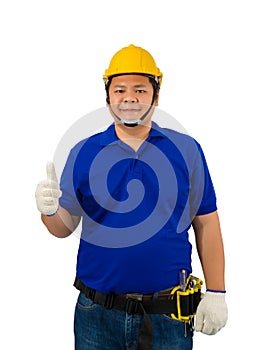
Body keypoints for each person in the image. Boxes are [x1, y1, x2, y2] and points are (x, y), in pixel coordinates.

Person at [35, 44, 228, 350]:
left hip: (168, 316)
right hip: (96, 315)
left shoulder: (186, 149)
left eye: (140, 89)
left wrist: (217, 293)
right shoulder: (84, 152)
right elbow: (63, 228)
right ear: (108, 96)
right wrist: (48, 211)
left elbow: (206, 223)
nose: (129, 98)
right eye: (120, 89)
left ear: (156, 95)